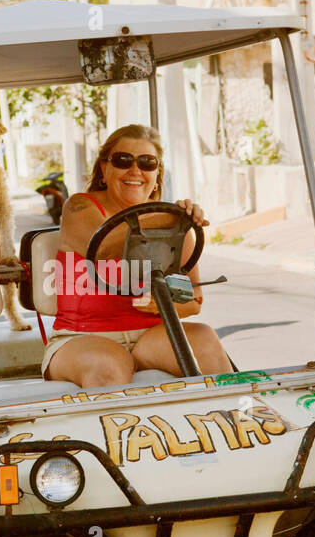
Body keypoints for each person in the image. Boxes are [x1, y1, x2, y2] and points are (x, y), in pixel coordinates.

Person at [42, 123, 232, 388]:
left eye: (147, 163)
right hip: (81, 337)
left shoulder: (172, 226)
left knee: (204, 339)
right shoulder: (79, 206)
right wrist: (172, 217)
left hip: (150, 336)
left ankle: (236, 417)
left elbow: (191, 302)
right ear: (103, 170)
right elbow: (104, 247)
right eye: (122, 161)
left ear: (157, 174)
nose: (135, 171)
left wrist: (162, 304)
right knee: (108, 364)